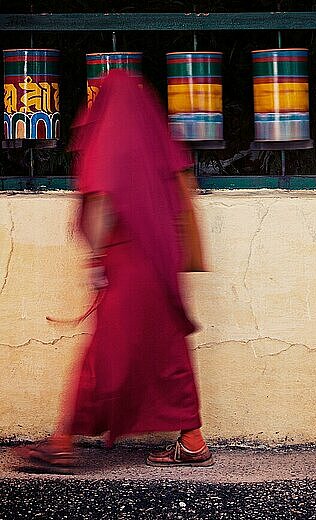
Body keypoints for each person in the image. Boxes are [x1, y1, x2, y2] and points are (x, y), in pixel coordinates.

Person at [15, 70, 213, 473]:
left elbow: (103, 199)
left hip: (127, 260)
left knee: (105, 352)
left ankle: (62, 442)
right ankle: (192, 440)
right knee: (167, 349)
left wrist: (96, 259)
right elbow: (181, 193)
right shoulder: (158, 138)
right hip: (162, 260)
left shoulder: (111, 137)